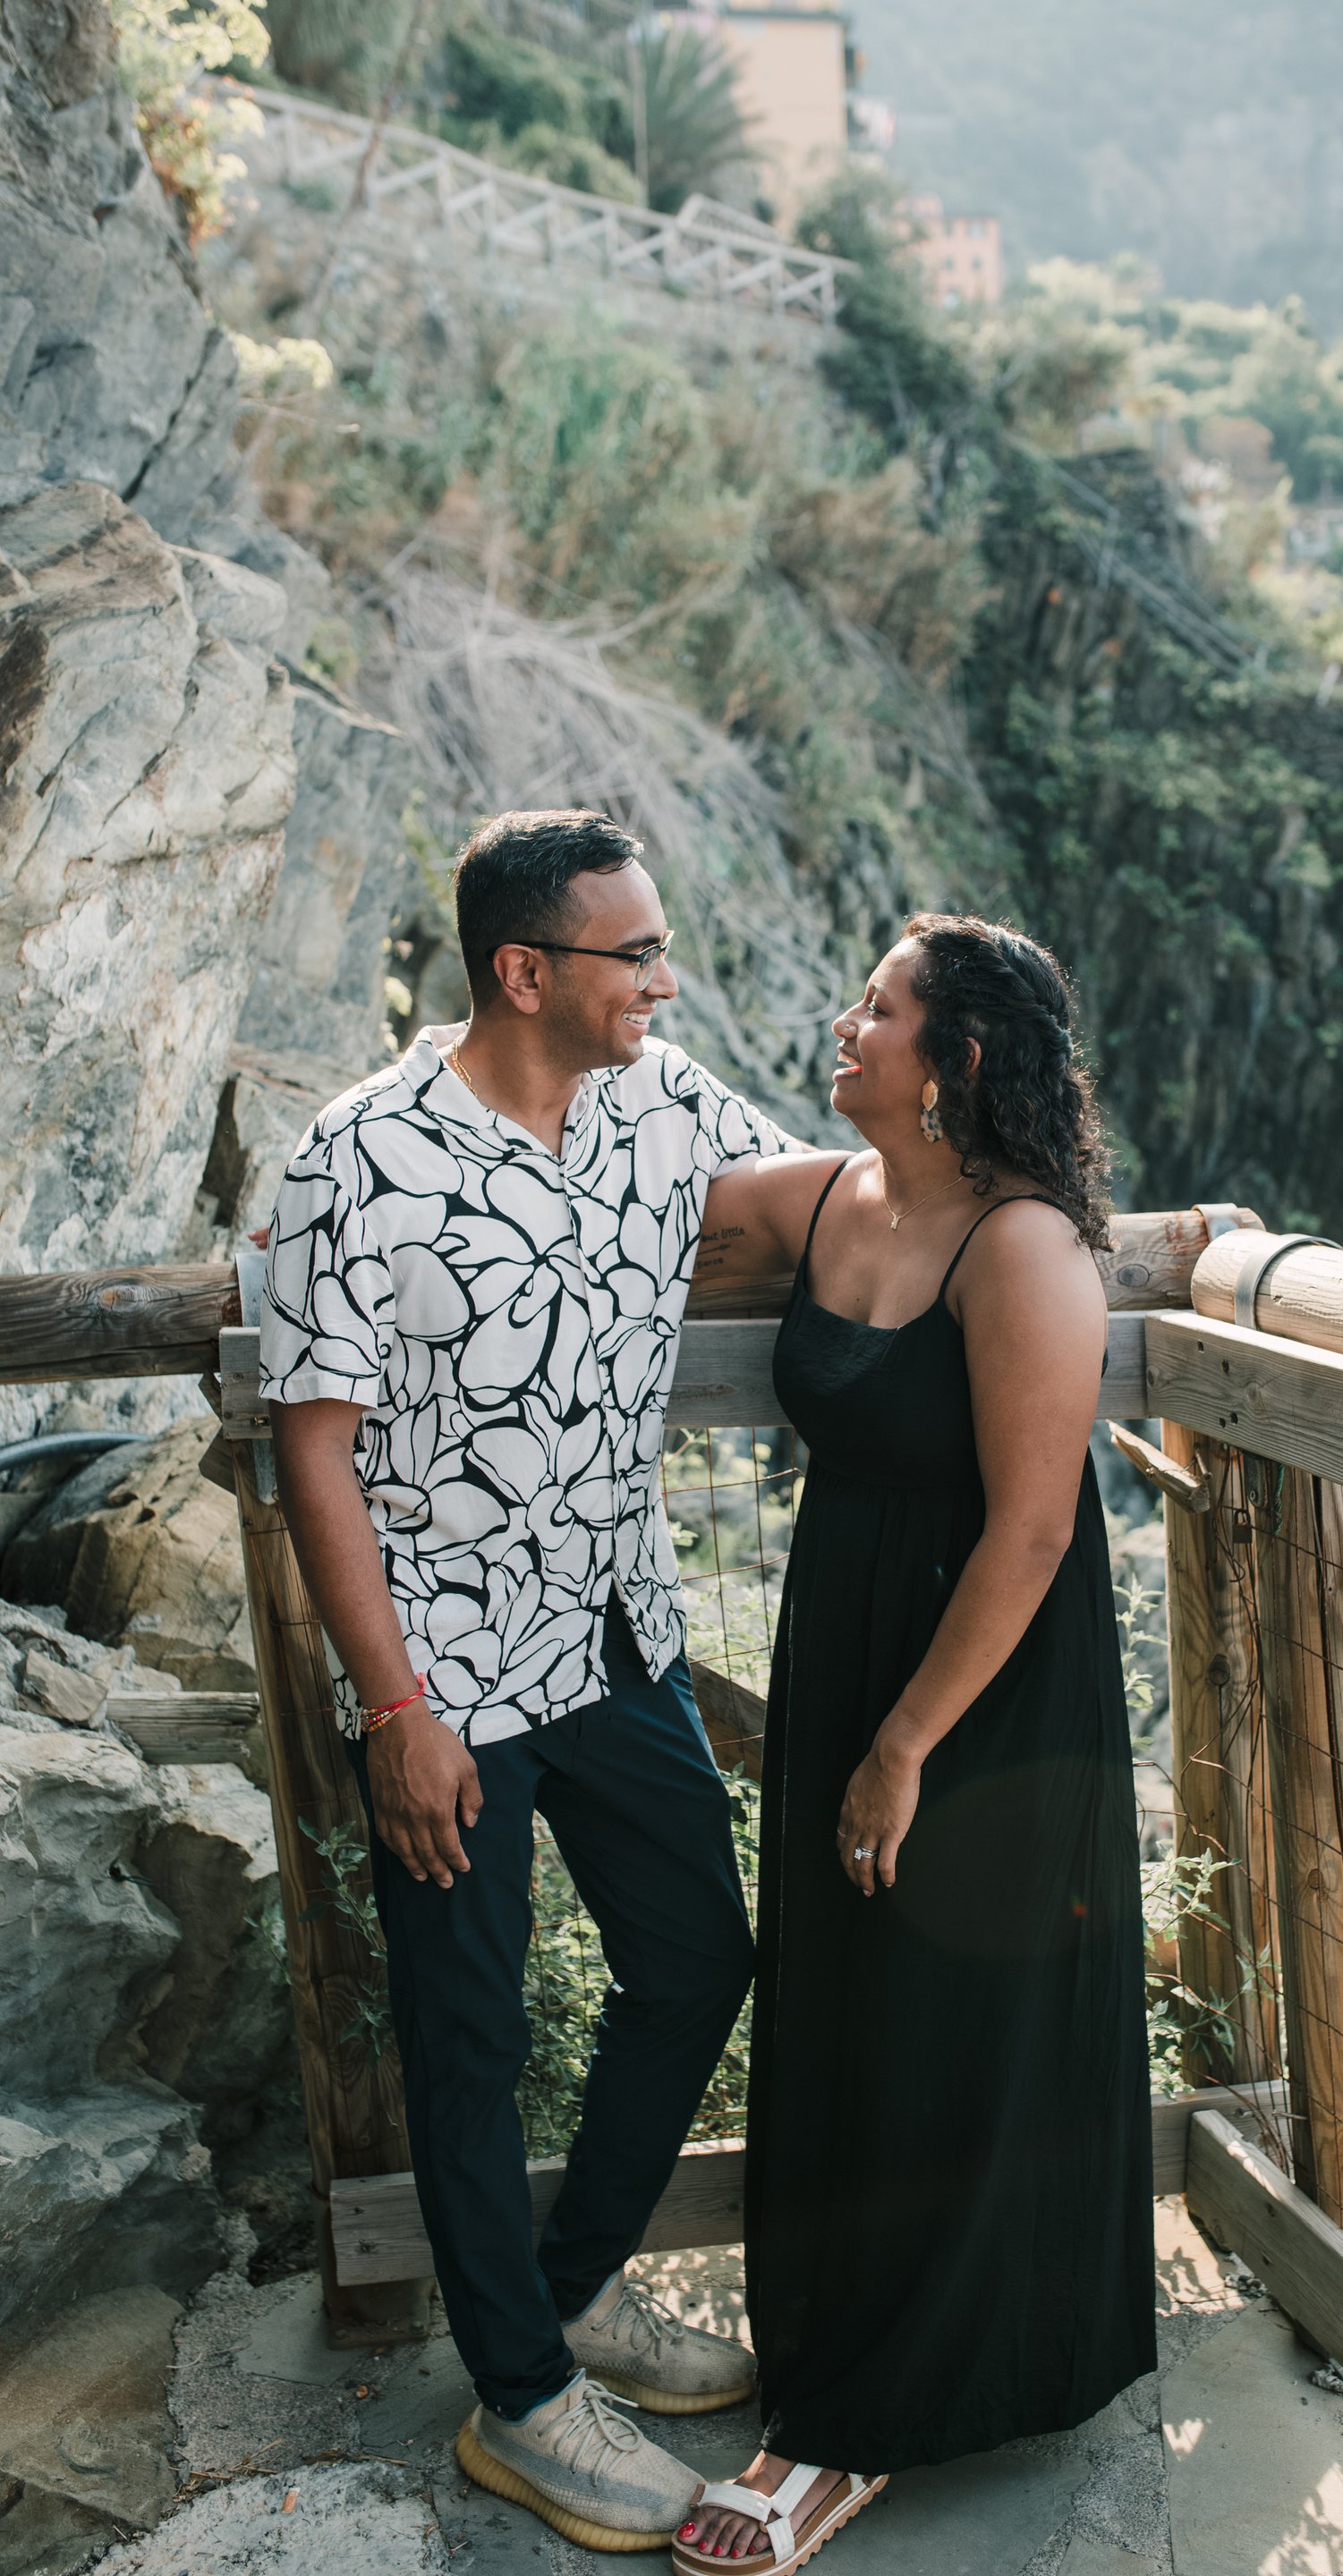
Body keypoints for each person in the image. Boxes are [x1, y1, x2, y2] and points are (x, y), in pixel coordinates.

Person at [260, 809, 803, 2554]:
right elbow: (314, 1452)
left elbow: (809, 1200)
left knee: (700, 1958)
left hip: (618, 1636)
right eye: (632, 953)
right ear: (525, 972)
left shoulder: (660, 1100)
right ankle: (519, 2402)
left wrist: (1018, 1196)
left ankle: (570, 2294)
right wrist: (397, 1713)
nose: (663, 976)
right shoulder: (355, 1159)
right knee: (470, 2035)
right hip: (452, 1677)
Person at [672, 915, 1157, 2572]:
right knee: (846, 1993)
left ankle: (853, 2431)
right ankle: (843, 2359)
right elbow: (624, 1211)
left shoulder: (1022, 1247)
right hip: (848, 1630)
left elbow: (1031, 1530)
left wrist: (903, 1745)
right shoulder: (826, 1195)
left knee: (949, 2016)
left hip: (982, 1680)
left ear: (950, 1063)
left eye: (877, 1010)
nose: (843, 1023)